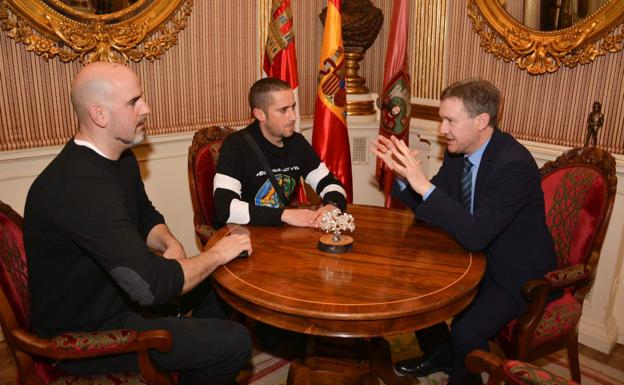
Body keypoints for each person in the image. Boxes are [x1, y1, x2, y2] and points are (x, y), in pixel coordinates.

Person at [23, 62, 253, 385]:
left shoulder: (121, 158)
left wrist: (168, 242)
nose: (146, 108)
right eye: (134, 102)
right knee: (236, 342)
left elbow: (144, 215)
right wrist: (218, 253)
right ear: (99, 115)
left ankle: (194, 359)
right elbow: (149, 287)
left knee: (219, 288)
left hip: (119, 301)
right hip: (89, 336)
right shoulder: (78, 186)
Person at [371, 78, 556, 385]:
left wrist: (423, 185)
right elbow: (435, 206)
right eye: (442, 120)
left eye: (450, 121)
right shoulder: (460, 153)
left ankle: (463, 376)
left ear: (481, 121)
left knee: (465, 330)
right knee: (417, 292)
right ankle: (443, 354)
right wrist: (403, 178)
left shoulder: (514, 165)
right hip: (473, 257)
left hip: (515, 273)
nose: (442, 130)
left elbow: (475, 233)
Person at [213, 77, 347, 228]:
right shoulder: (236, 146)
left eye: (293, 107)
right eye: (283, 110)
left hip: (279, 233)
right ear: (260, 114)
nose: (293, 117)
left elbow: (332, 184)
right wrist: (285, 215)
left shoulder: (297, 142)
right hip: (244, 234)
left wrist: (331, 207)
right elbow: (225, 208)